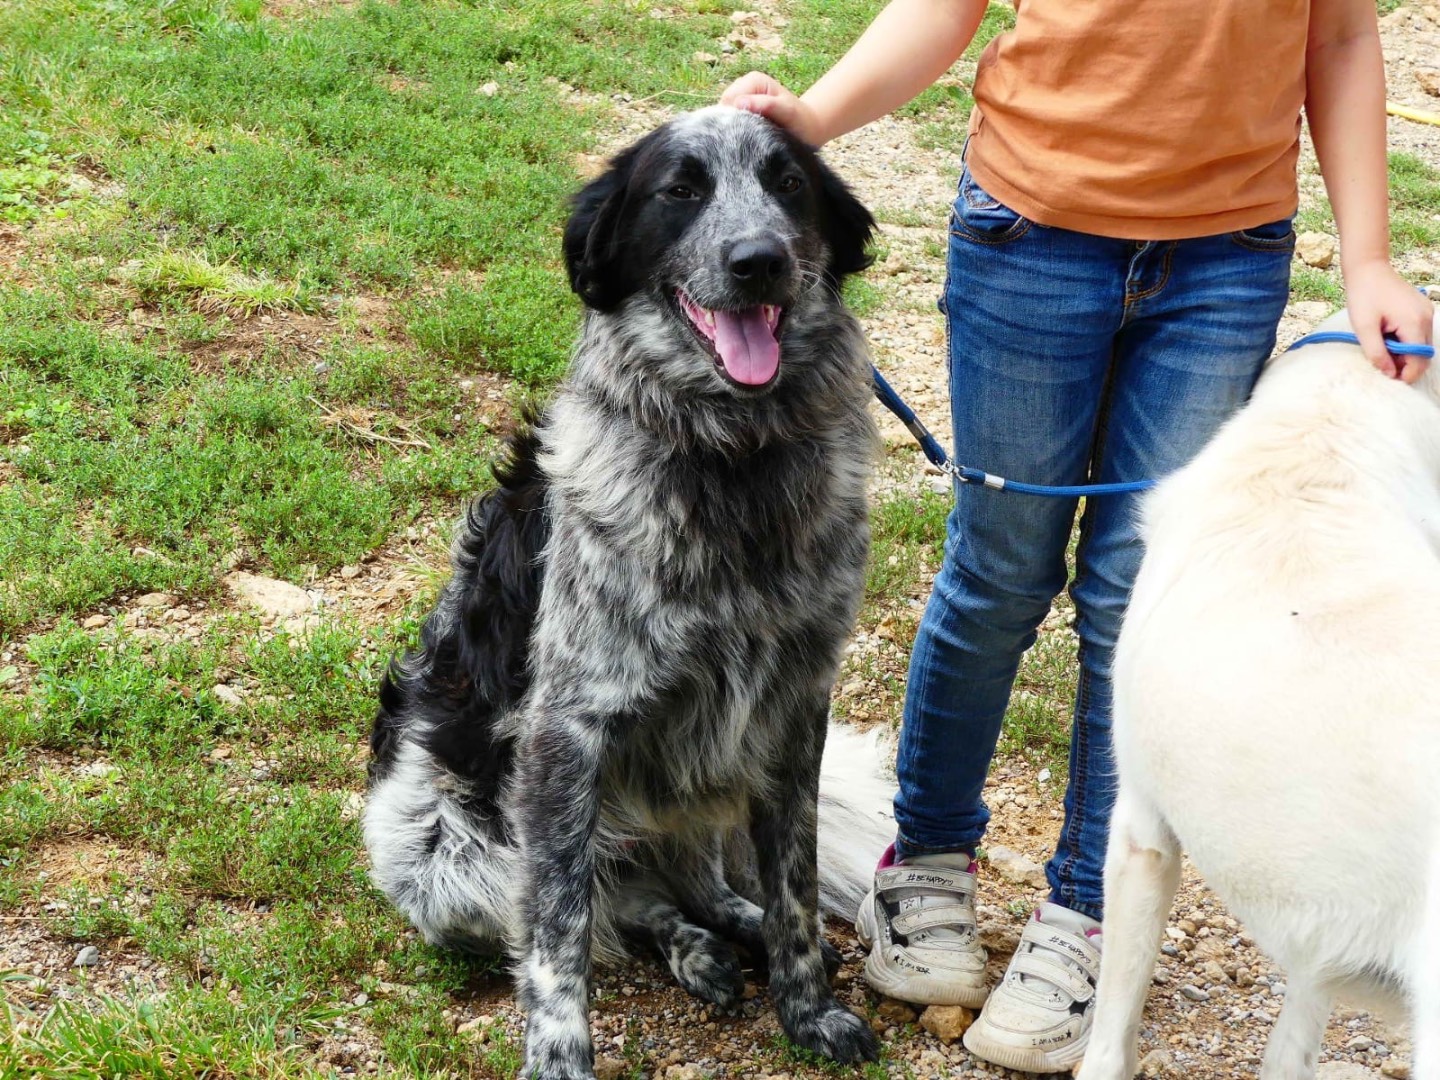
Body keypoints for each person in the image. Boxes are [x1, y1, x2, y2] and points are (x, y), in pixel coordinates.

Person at [721, 0, 1436, 1070]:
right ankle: (928, 864)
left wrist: (1368, 259)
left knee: (1132, 593)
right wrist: (813, 116)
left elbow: (1335, 37)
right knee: (1000, 567)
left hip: (1226, 262)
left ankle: (1082, 914)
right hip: (1031, 240)